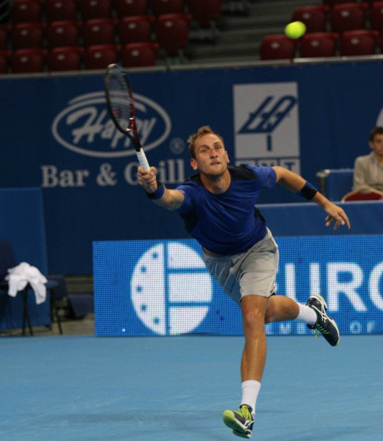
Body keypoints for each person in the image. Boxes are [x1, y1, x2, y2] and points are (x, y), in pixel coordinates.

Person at [137, 126, 351, 439]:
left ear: (225, 154)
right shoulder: (193, 193)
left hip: (257, 250)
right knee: (264, 312)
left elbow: (283, 175)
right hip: (220, 263)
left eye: (218, 147)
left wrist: (324, 202)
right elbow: (169, 199)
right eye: (205, 150)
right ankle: (314, 314)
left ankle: (246, 412)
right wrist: (152, 188)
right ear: (195, 163)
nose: (213, 152)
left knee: (252, 318)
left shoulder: (248, 177)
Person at [353, 126, 383, 194]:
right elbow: (359, 187)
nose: (382, 145)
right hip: (369, 201)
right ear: (371, 144)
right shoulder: (361, 162)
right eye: (379, 142)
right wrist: (380, 194)